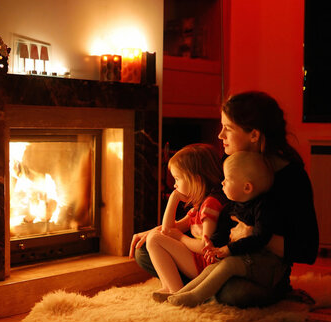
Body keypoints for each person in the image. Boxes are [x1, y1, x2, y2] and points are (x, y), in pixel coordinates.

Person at [131, 91, 319, 308]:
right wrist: (162, 230)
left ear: (254, 135)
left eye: (228, 129)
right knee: (144, 251)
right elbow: (208, 209)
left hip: (257, 266)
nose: (220, 136)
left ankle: (207, 288)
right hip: (217, 253)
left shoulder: (291, 178)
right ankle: (203, 287)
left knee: (233, 294)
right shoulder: (230, 161)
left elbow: (308, 250)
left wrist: (253, 234)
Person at [165, 151, 274, 307]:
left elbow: (259, 238)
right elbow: (221, 234)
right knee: (213, 268)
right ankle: (179, 294)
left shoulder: (263, 208)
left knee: (228, 266)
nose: (222, 183)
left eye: (227, 180)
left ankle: (195, 298)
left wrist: (228, 250)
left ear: (247, 187)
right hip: (238, 256)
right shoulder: (230, 207)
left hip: (259, 262)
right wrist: (212, 247)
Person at [144, 143, 226, 296]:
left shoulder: (211, 205)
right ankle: (169, 287)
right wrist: (174, 198)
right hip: (198, 261)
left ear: (195, 179)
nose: (174, 184)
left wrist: (180, 237)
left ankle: (176, 290)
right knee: (154, 237)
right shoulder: (198, 207)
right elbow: (167, 230)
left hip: (207, 264)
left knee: (154, 239)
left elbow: (205, 246)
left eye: (177, 178)